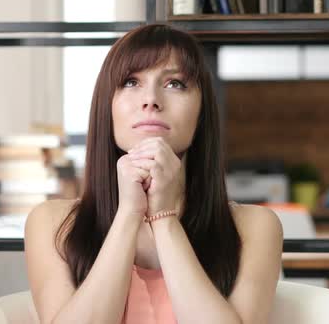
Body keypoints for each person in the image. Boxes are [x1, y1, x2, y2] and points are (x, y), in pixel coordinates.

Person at [24, 23, 283, 324]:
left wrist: (164, 218)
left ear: (201, 113)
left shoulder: (255, 227)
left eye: (175, 83)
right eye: (131, 82)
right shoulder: (53, 223)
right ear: (107, 107)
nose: (151, 100)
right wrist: (129, 214)